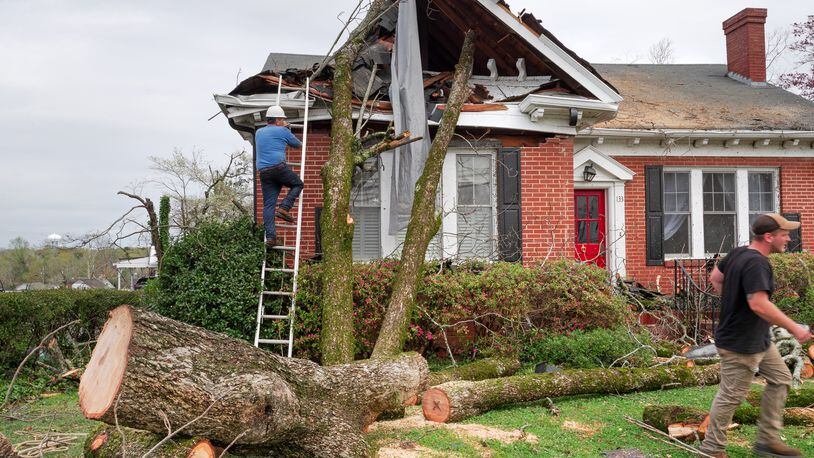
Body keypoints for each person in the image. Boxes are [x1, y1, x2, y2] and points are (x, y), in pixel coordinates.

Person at [699, 213, 812, 458]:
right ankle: (712, 449)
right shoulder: (757, 263)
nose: (789, 239)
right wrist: (795, 328)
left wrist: (733, 301)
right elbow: (759, 304)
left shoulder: (739, 253)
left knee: (781, 379)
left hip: (758, 337)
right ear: (769, 237)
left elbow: (716, 278)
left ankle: (767, 441)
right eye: (784, 234)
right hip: (741, 343)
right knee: (731, 395)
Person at [256, 105, 303, 247]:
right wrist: (287, 129)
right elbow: (297, 144)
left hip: (264, 172)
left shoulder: (258, 132)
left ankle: (271, 237)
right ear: (276, 120)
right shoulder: (283, 130)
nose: (283, 121)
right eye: (282, 119)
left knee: (268, 205)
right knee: (298, 184)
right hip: (278, 168)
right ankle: (284, 208)